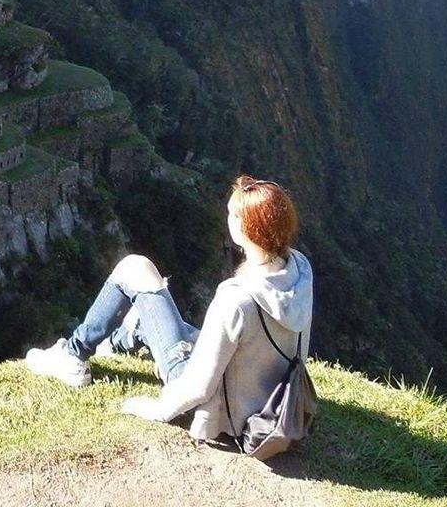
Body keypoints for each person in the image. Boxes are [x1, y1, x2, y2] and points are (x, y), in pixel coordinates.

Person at [25, 176, 314, 443]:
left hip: (230, 410)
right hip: (274, 400)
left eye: (232, 214)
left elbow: (198, 387)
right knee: (159, 321)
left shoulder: (236, 299)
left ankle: (73, 355)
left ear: (245, 228)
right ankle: (123, 337)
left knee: (134, 267)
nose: (227, 219)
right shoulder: (299, 270)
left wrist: (156, 409)